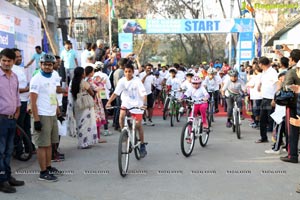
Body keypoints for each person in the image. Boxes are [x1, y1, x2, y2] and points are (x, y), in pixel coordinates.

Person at [30, 54, 62, 182]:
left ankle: (48, 167)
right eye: (45, 64)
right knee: (42, 145)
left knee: (49, 144)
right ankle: (43, 172)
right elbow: (32, 101)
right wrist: (36, 119)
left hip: (52, 113)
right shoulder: (36, 79)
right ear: (40, 64)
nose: (47, 67)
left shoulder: (54, 75)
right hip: (42, 114)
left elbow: (53, 94)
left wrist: (58, 110)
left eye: (50, 64)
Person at [106, 62, 148, 158]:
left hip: (137, 105)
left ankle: (142, 144)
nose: (128, 73)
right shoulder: (122, 81)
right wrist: (108, 102)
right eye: (126, 71)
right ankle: (124, 134)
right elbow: (116, 93)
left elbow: (143, 94)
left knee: (138, 125)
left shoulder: (137, 81)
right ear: (124, 72)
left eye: (130, 71)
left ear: (133, 72)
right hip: (126, 103)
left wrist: (144, 104)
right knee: (121, 116)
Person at [0, 48, 25, 193]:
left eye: (9, 61)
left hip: (11, 119)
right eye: (3, 60)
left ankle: (8, 177)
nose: (6, 63)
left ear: (13, 61)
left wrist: (17, 112)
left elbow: (16, 97)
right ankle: (2, 181)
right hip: (1, 119)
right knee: (0, 151)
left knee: (9, 150)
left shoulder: (14, 76)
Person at [12, 48, 36, 159]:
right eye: (17, 56)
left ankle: (29, 147)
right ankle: (19, 151)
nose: (19, 58)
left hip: (25, 101)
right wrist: (25, 90)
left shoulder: (20, 69)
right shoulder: (11, 70)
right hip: (18, 103)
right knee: (19, 128)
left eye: (20, 56)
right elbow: (11, 88)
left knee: (27, 126)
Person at [67, 67, 98, 149]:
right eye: (84, 72)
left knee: (80, 123)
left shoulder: (72, 82)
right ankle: (84, 143)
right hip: (85, 105)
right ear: (82, 74)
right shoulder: (83, 82)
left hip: (77, 105)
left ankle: (81, 142)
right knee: (86, 124)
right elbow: (91, 92)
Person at [85, 66, 107, 143]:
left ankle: (94, 137)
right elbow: (96, 88)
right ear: (91, 72)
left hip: (90, 100)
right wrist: (102, 84)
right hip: (94, 101)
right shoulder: (90, 80)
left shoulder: (86, 80)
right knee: (96, 118)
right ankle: (97, 137)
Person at [93, 64, 112, 136]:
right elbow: (109, 86)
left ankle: (97, 129)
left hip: (95, 96)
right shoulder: (105, 75)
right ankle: (106, 129)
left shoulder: (92, 75)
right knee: (104, 112)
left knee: (96, 113)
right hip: (103, 95)